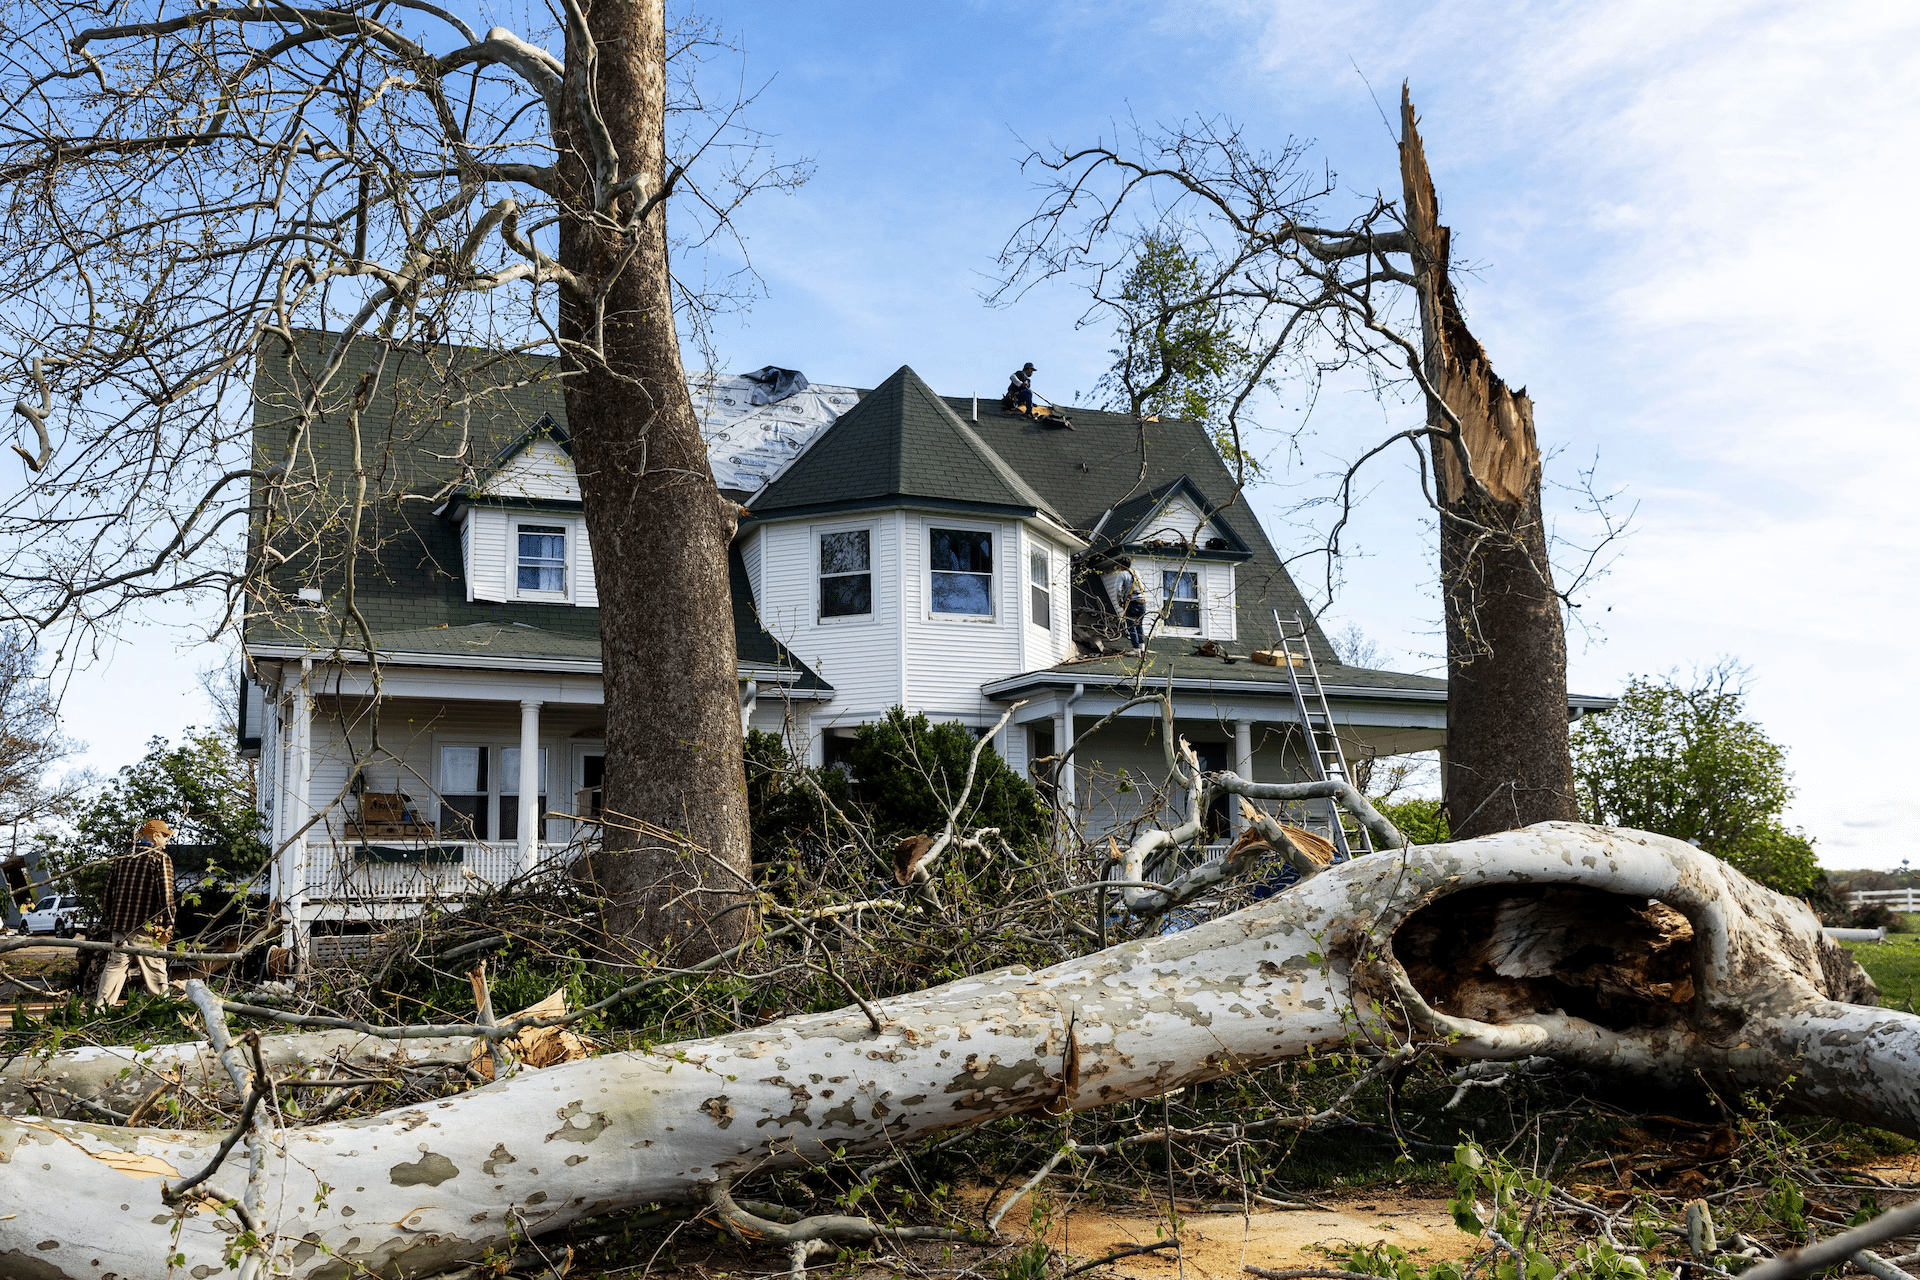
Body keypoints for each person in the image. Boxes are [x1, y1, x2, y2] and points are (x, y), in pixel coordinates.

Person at [93, 818, 176, 1005]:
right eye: (165, 836)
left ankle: (99, 1010)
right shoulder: (160, 858)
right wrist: (170, 923)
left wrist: (107, 918)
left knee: (115, 966)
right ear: (155, 836)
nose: (166, 841)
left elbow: (106, 891)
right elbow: (166, 895)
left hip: (119, 925)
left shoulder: (123, 857)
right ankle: (162, 1010)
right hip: (146, 926)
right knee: (155, 967)